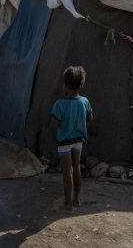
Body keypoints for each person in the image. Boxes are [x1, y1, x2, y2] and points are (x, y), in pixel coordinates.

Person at [51, 66, 94, 213]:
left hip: (64, 142)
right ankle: (76, 199)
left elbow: (54, 124)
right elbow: (90, 118)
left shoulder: (59, 104)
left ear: (65, 85)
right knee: (76, 169)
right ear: (81, 85)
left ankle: (68, 204)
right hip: (79, 140)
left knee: (67, 172)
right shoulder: (85, 101)